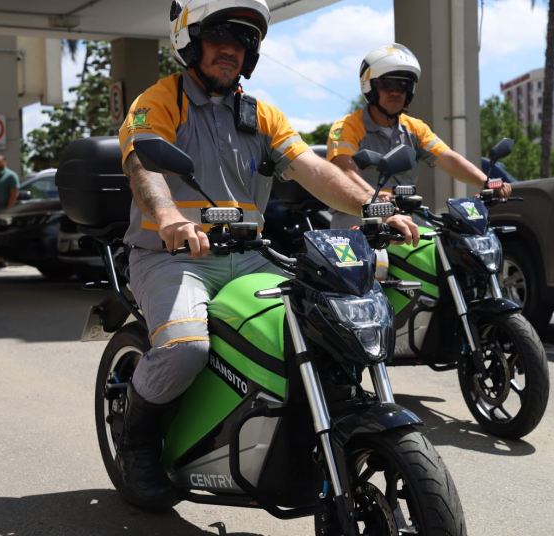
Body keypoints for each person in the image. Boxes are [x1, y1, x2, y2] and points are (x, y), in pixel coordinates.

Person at [116, 0, 418, 509]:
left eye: (241, 42)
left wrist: (371, 206)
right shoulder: (160, 99)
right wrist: (168, 217)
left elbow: (312, 169)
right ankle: (137, 445)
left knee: (325, 327)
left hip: (252, 254)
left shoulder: (262, 114)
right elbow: (143, 165)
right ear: (190, 42)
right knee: (185, 348)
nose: (230, 50)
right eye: (218, 38)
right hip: (171, 256)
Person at [326, 43, 512, 233]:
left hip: (405, 215)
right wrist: (370, 195)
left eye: (403, 85)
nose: (396, 91)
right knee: (377, 261)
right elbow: (344, 169)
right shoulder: (347, 127)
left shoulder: (415, 128)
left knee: (442, 250)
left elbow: (448, 159)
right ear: (370, 86)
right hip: (358, 215)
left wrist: (486, 182)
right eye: (387, 84)